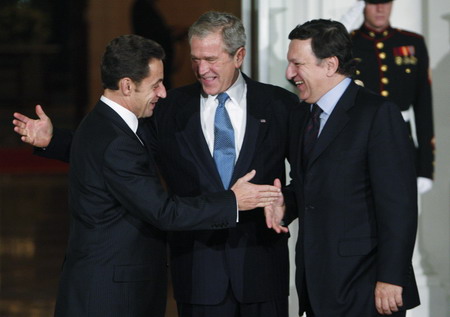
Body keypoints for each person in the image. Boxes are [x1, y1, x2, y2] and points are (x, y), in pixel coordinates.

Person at [13, 11, 298, 317]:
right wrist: (53, 141)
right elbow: (118, 151)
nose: (202, 70)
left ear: (239, 56)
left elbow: (308, 175)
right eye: (195, 59)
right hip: (199, 274)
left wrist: (286, 204)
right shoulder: (170, 107)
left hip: (262, 271)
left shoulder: (281, 105)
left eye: (211, 59)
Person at [280, 19, 420, 316]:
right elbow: (306, 186)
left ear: (330, 65)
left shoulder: (378, 114)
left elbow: (399, 204)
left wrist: (391, 278)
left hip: (367, 286)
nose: (289, 74)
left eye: (297, 64)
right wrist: (281, 204)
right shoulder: (302, 116)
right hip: (317, 284)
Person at [350, 0, 435, 194]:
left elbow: (424, 107)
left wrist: (425, 167)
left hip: (401, 143)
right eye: (373, 3)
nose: (380, 9)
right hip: (358, 143)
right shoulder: (349, 43)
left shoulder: (412, 43)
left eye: (386, 2)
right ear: (362, 5)